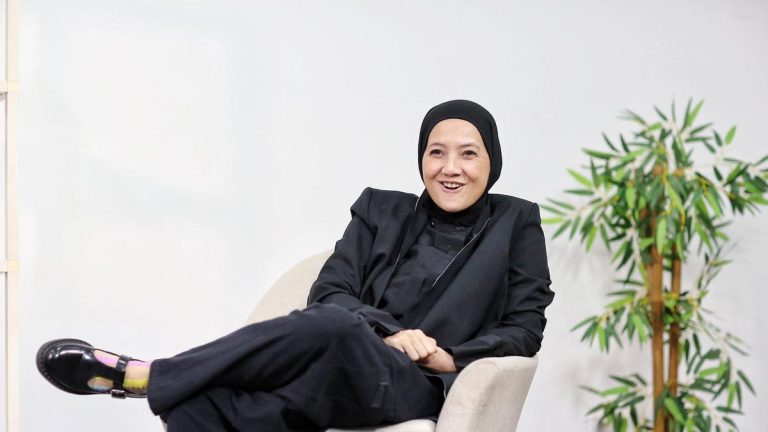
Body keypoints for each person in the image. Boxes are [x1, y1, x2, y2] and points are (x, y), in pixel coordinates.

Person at [36, 99, 555, 431]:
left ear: (491, 160)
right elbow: (329, 292)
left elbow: (525, 328)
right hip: (334, 366)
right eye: (436, 152)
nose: (450, 168)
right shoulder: (379, 209)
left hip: (411, 383)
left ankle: (147, 375)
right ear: (421, 158)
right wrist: (391, 334)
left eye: (468, 154)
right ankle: (169, 384)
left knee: (333, 325)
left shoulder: (516, 223)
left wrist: (447, 357)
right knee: (197, 407)